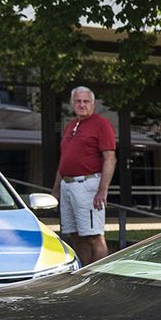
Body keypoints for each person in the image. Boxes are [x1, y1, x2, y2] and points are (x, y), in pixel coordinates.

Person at [54, 86, 116, 265]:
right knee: (76, 235)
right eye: (78, 101)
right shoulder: (71, 125)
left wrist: (102, 190)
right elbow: (65, 160)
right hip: (68, 186)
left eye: (86, 101)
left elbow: (110, 159)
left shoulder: (101, 124)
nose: (82, 105)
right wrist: (56, 190)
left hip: (88, 186)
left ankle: (99, 278)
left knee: (94, 236)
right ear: (73, 103)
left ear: (93, 104)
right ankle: (84, 275)